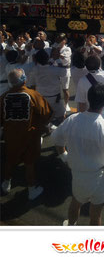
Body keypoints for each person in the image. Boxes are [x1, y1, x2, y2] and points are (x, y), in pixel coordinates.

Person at [52, 83, 104, 226]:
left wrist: (65, 157)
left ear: (88, 98)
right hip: (99, 176)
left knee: (76, 201)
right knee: (96, 214)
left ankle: (71, 225)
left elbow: (57, 139)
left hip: (78, 173)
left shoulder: (72, 119)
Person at [0, 68, 52, 199]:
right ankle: (32, 189)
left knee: (10, 160)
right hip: (30, 135)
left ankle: (6, 183)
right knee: (29, 163)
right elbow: (46, 113)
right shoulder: (33, 94)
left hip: (11, 135)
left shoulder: (4, 97)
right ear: (24, 79)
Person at [75, 55, 104, 125]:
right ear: (99, 65)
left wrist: (82, 120)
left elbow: (81, 104)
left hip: (91, 116)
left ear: (86, 66)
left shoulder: (82, 81)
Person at [51, 33, 72, 113]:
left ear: (65, 41)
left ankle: (66, 104)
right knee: (55, 88)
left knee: (65, 89)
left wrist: (57, 52)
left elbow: (64, 59)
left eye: (62, 40)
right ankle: (57, 103)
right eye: (58, 39)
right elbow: (52, 56)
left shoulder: (67, 49)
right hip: (55, 69)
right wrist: (55, 49)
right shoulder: (55, 47)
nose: (60, 41)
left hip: (64, 70)